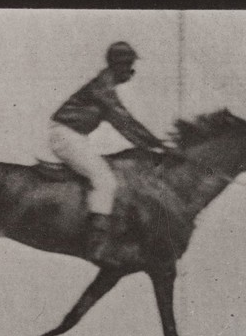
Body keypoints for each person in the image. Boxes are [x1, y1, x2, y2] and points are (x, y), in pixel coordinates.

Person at [44, 41, 175, 264]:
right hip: (66, 135)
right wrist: (155, 145)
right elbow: (124, 121)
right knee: (105, 179)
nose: (132, 71)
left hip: (73, 135)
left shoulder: (105, 84)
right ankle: (95, 243)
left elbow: (124, 122)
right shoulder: (103, 88)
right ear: (118, 65)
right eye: (129, 66)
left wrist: (154, 144)